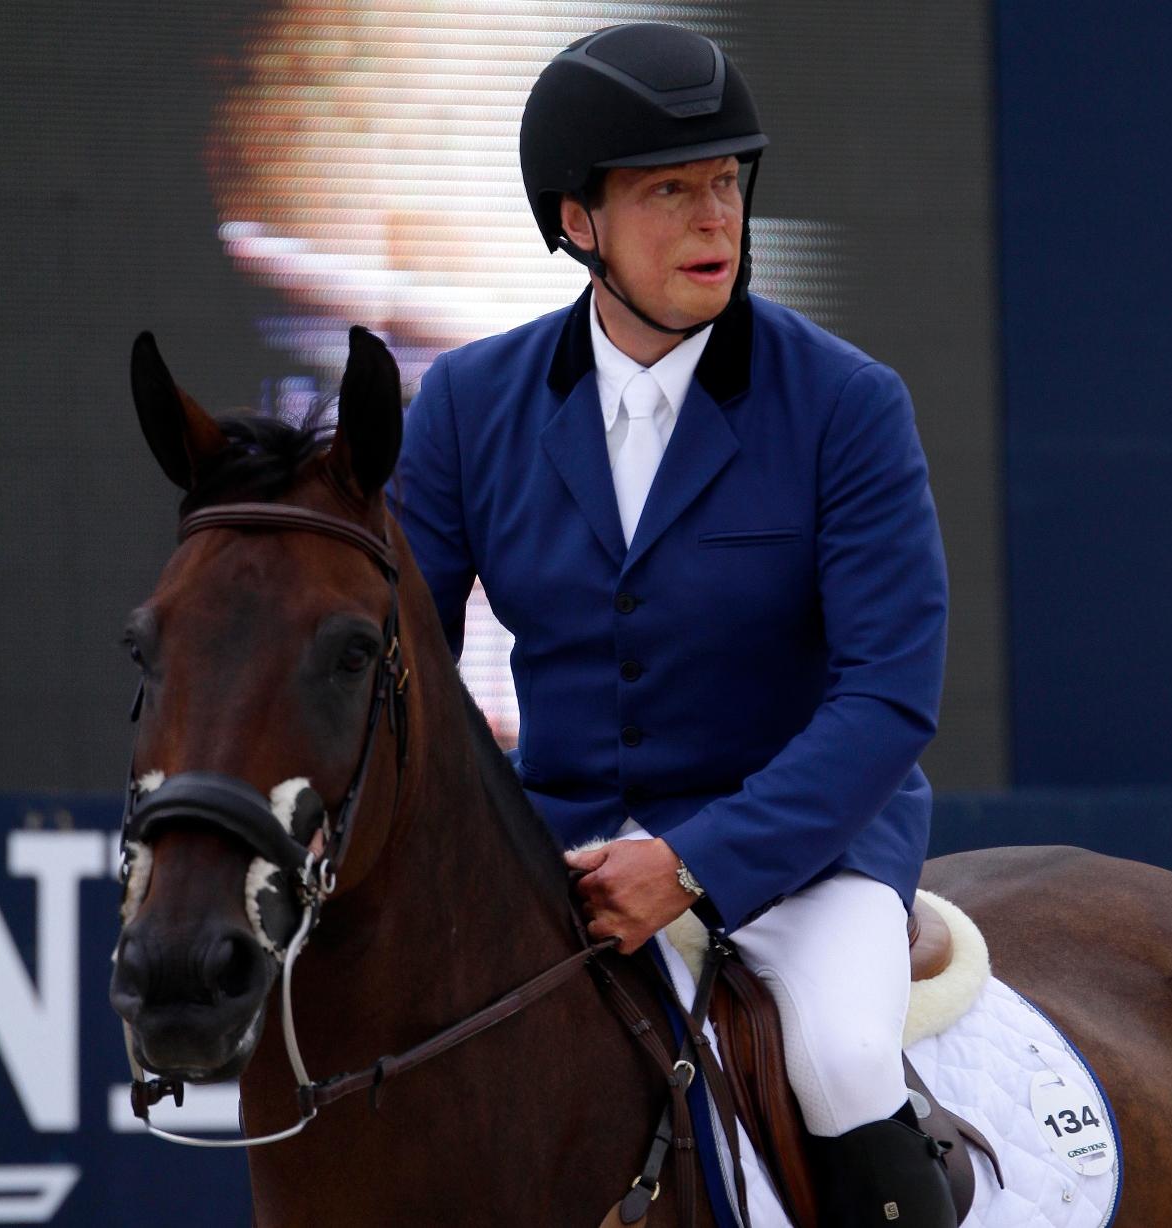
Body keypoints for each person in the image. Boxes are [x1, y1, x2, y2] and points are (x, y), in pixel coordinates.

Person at [392, 22, 952, 1228]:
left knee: (848, 1060)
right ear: (576, 221)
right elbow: (400, 668)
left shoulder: (847, 406)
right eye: (669, 191)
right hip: (568, 849)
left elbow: (889, 696)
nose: (716, 219)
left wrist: (697, 866)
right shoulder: (465, 407)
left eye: (727, 183)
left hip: (807, 856)